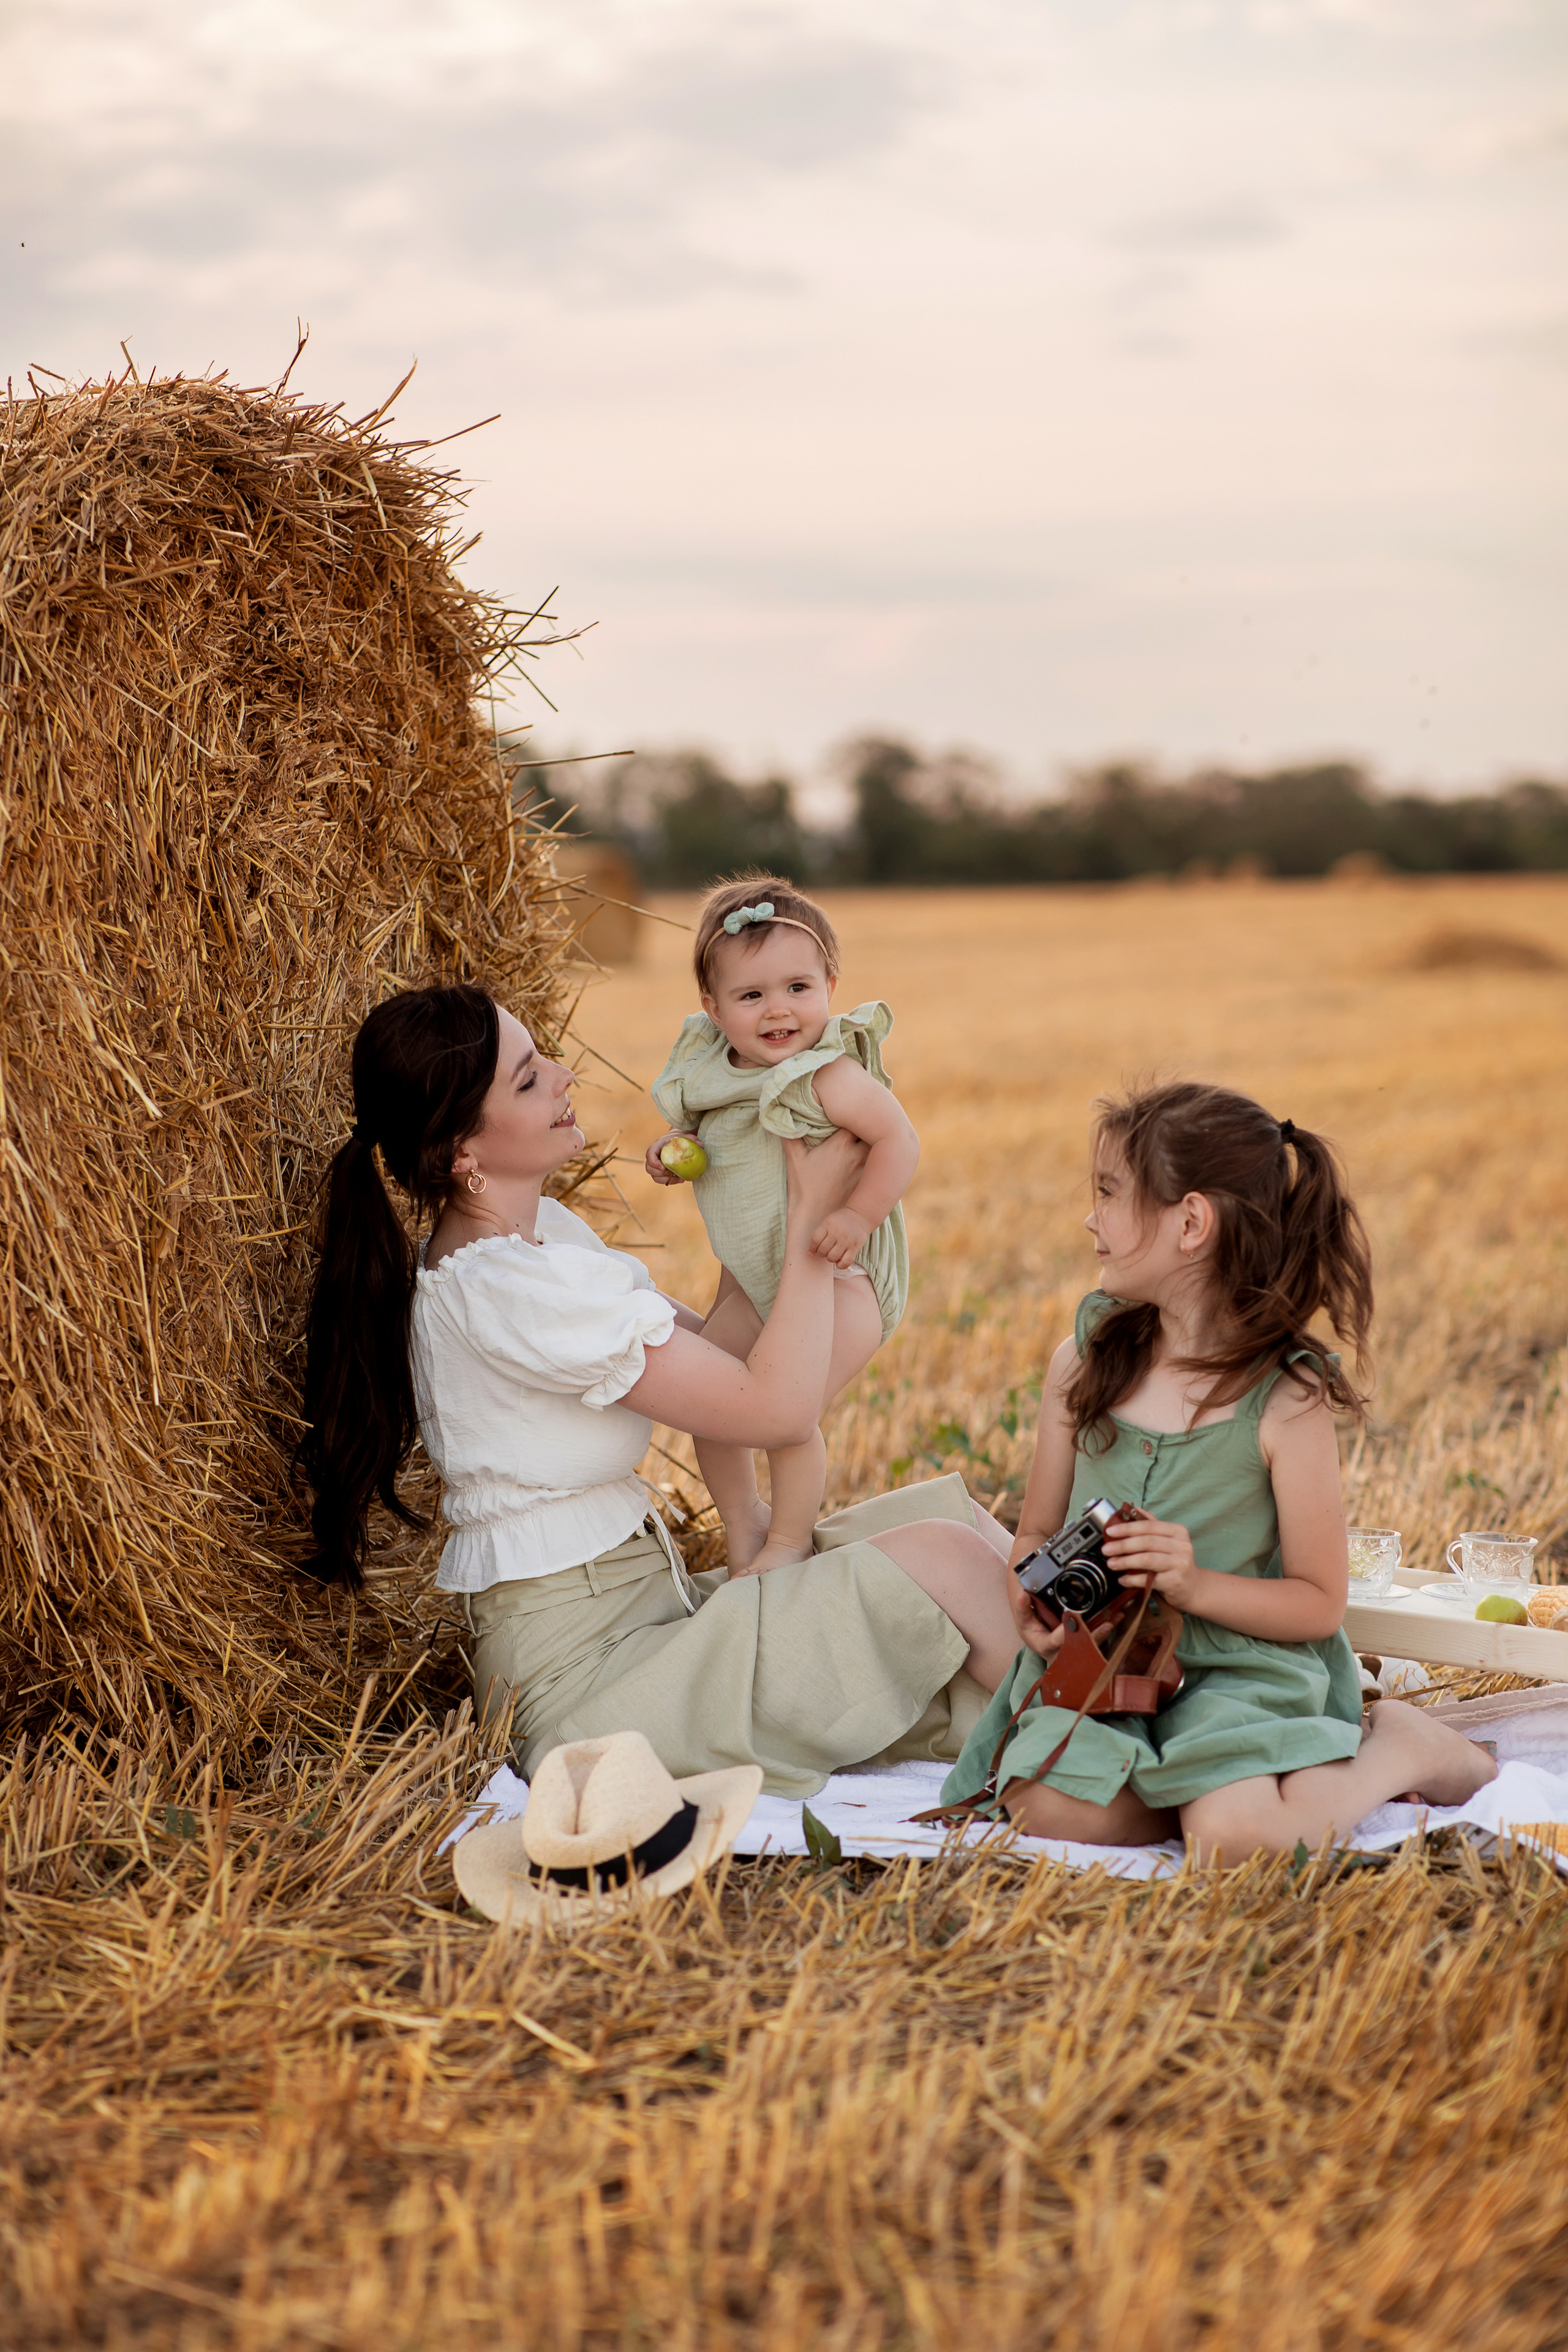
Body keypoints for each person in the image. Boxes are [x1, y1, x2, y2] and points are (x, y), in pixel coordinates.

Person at [297, 983, 1018, 1796]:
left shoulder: (544, 1248)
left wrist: (753, 1194)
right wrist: (815, 1227)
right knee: (943, 1563)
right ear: (462, 1153)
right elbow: (774, 1409)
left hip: (647, 1614)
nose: (566, 1076)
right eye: (530, 1079)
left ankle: (1087, 1687)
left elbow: (718, 1357)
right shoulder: (505, 1291)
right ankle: (1103, 1731)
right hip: (588, 1688)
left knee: (941, 1525)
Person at [939, 1080, 1496, 1861]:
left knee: (1235, 1843)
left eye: (1108, 1195)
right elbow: (1036, 1529)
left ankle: (1402, 1748)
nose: (1089, 1219)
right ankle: (1207, 1789)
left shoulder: (1283, 1398)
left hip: (1239, 1671)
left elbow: (1317, 1604)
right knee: (1044, 1805)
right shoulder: (1086, 1361)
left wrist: (1191, 1584)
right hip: (1115, 1668)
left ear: (1191, 1222)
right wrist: (1026, 1591)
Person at [646, 875, 916, 1576]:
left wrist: (858, 1216)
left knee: (787, 1420)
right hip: (750, 1282)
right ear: (711, 1007)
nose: (779, 1011)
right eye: (751, 995)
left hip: (838, 1279)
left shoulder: (826, 1074)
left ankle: (791, 1540)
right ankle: (744, 1524)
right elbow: (702, 1130)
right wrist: (674, 1152)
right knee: (716, 1411)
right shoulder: (709, 1071)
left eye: (799, 988)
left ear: (830, 983)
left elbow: (897, 1141)